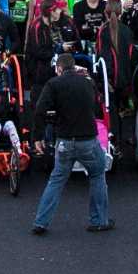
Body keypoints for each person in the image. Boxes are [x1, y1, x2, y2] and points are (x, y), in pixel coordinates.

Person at [30, 51, 111, 235]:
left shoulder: (53, 84)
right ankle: (98, 220)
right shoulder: (87, 82)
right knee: (97, 174)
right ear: (74, 67)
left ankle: (41, 222)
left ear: (59, 68)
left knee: (57, 179)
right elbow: (96, 103)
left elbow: (39, 111)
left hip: (65, 141)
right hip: (88, 140)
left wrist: (38, 137)